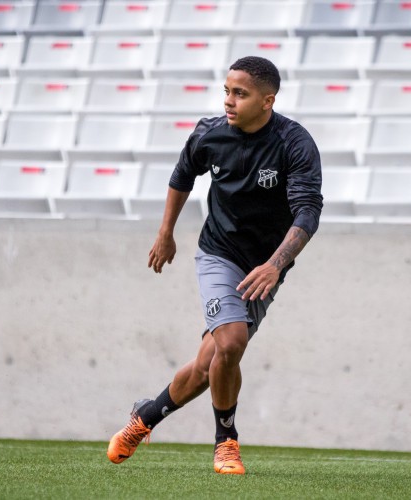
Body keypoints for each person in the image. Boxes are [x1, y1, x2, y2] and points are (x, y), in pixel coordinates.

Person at [106, 56, 323, 475]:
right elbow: (182, 175)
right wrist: (165, 232)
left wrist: (276, 265)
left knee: (210, 364)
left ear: (267, 100)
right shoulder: (210, 133)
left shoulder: (294, 144)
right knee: (232, 342)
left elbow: (308, 212)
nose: (229, 100)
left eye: (240, 93)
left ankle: (145, 417)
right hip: (218, 253)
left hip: (265, 266)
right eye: (226, 90)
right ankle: (226, 443)